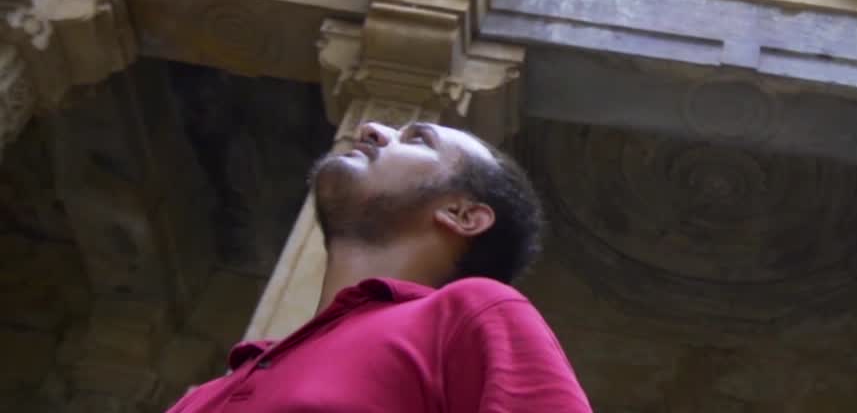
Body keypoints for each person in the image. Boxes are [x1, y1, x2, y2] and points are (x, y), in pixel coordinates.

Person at [167, 121, 592, 412]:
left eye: (418, 140)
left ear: (463, 215)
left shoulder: (473, 313)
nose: (371, 129)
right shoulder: (215, 388)